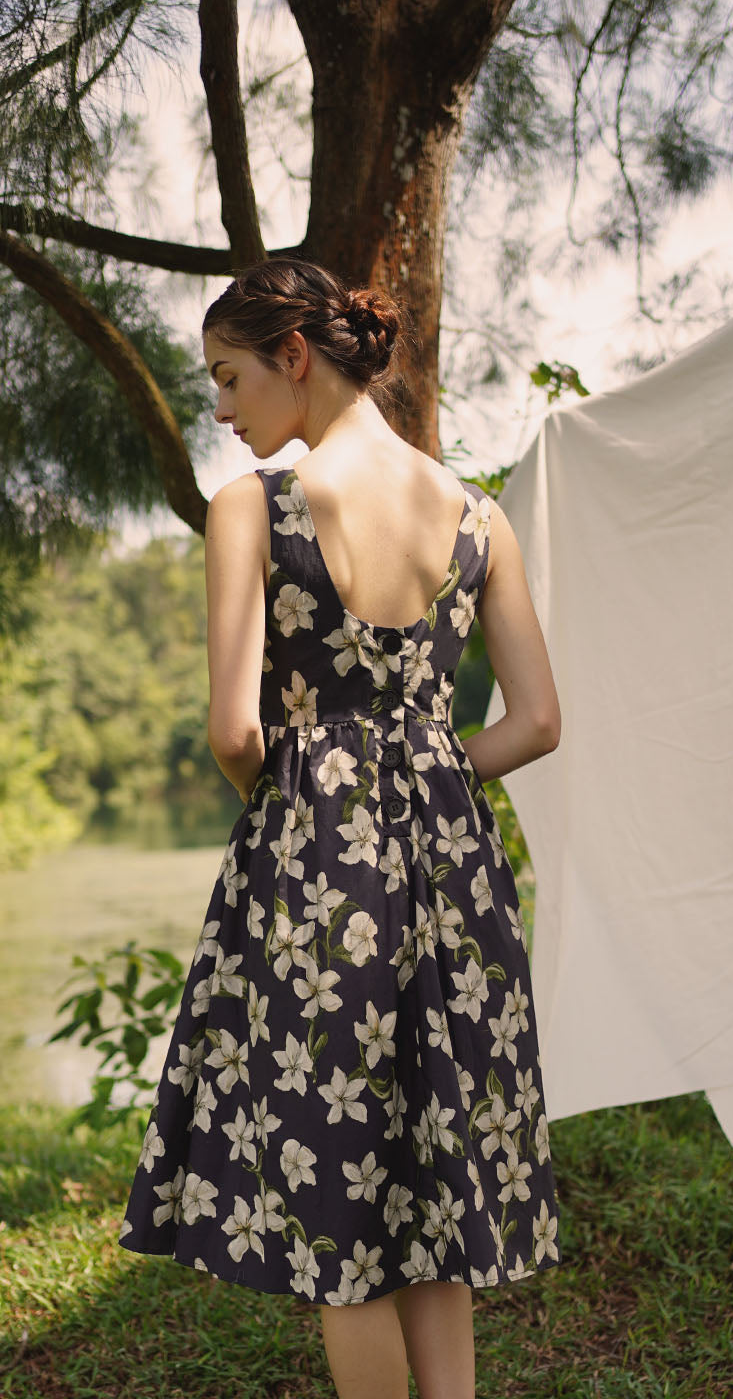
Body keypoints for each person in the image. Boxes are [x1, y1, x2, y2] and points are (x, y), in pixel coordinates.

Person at [116, 257, 564, 1399]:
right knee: (433, 1189)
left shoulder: (250, 508)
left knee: (341, 1201)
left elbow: (230, 727)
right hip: (454, 873)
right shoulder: (477, 512)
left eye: (227, 377)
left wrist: (316, 804)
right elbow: (539, 720)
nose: (219, 408)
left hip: (319, 869)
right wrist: (428, 767)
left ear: (294, 357)